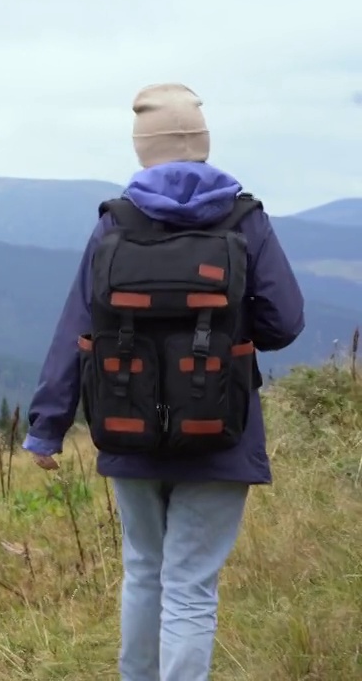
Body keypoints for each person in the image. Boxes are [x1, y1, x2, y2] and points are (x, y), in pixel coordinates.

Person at [21, 82, 305, 680]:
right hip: (220, 427)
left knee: (144, 570)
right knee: (190, 588)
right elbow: (285, 323)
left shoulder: (116, 223)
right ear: (202, 145)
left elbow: (78, 329)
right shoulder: (244, 219)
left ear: (143, 150)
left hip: (129, 425)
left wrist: (47, 429)